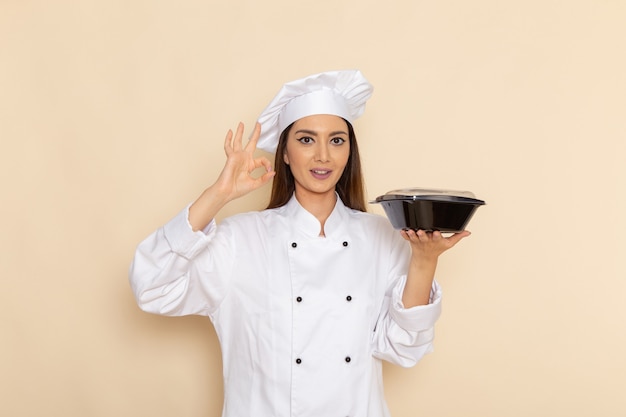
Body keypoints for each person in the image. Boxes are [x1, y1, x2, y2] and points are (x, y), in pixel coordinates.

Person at [129, 70, 470, 417]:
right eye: (307, 140)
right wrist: (217, 195)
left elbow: (404, 349)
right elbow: (152, 287)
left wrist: (425, 261)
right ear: (286, 153)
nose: (323, 155)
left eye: (337, 140)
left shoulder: (381, 236)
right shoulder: (241, 239)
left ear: (349, 151)